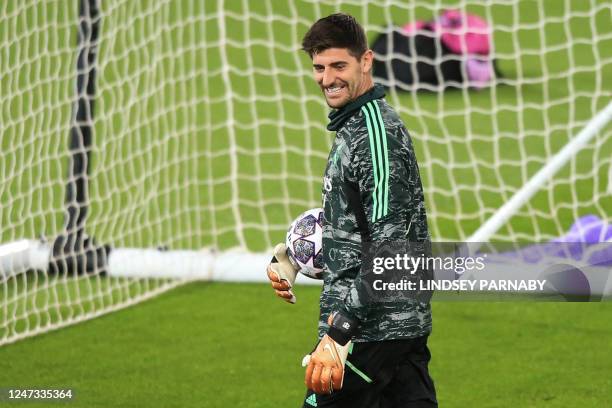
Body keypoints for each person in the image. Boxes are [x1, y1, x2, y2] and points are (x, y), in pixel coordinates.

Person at [267, 13, 437, 408]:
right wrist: (295, 258)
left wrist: (340, 332)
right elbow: (355, 227)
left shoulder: (375, 136)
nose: (327, 78)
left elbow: (390, 245)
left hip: (370, 330)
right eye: (319, 68)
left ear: (366, 61)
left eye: (338, 65)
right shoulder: (355, 127)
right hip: (390, 324)